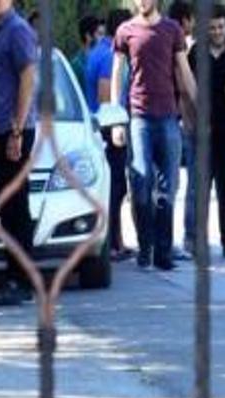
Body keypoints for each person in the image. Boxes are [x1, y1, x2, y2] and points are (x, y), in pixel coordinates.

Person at [111, 0, 199, 271]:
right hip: (139, 118)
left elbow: (184, 72)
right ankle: (145, 248)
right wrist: (116, 119)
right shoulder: (125, 31)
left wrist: (199, 108)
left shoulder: (172, 30)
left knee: (167, 188)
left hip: (168, 117)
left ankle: (163, 253)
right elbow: (117, 74)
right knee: (140, 184)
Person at [0, 0, 39, 306]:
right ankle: (13, 277)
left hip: (12, 132)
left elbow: (28, 77)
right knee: (6, 209)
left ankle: (22, 281)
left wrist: (16, 130)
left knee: (16, 208)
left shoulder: (17, 30)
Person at [182, 3, 225, 260]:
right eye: (212, 28)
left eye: (221, 27)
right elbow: (185, 87)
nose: (217, 32)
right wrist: (189, 121)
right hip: (203, 129)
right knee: (201, 187)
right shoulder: (196, 52)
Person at [87, 8, 135, 262]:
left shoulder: (98, 51)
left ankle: (116, 241)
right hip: (108, 127)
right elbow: (105, 94)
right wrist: (117, 125)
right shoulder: (109, 56)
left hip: (100, 126)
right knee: (115, 187)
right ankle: (114, 243)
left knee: (114, 187)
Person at [167, 0, 197, 261]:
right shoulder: (177, 42)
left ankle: (154, 242)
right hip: (172, 118)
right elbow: (183, 86)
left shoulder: (161, 36)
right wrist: (191, 119)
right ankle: (166, 242)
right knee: (171, 183)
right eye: (192, 19)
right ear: (185, 20)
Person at [72, 14, 104, 107]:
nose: (103, 39)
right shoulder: (77, 66)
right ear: (88, 36)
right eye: (99, 34)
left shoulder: (104, 62)